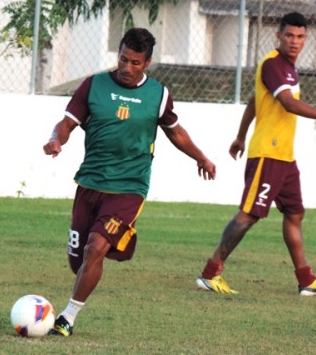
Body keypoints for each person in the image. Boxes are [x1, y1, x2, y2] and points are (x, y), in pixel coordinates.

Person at [43, 27, 216, 337]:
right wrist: (57, 139)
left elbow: (175, 131)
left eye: (135, 62)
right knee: (78, 261)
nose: (127, 67)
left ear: (147, 63)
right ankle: (99, 260)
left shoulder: (158, 95)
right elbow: (67, 123)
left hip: (129, 189)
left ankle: (67, 318)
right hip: (90, 184)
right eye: (123, 59)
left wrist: (201, 157)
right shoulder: (93, 86)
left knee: (96, 247)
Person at [196, 11, 316, 296]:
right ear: (278, 36)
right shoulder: (273, 64)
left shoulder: (288, 68)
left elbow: (254, 100)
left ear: (306, 39)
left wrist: (240, 135)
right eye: (289, 36)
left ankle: (305, 279)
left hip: (284, 157)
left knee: (295, 213)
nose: (294, 41)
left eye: (300, 36)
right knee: (249, 215)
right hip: (268, 155)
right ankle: (210, 273)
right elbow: (288, 104)